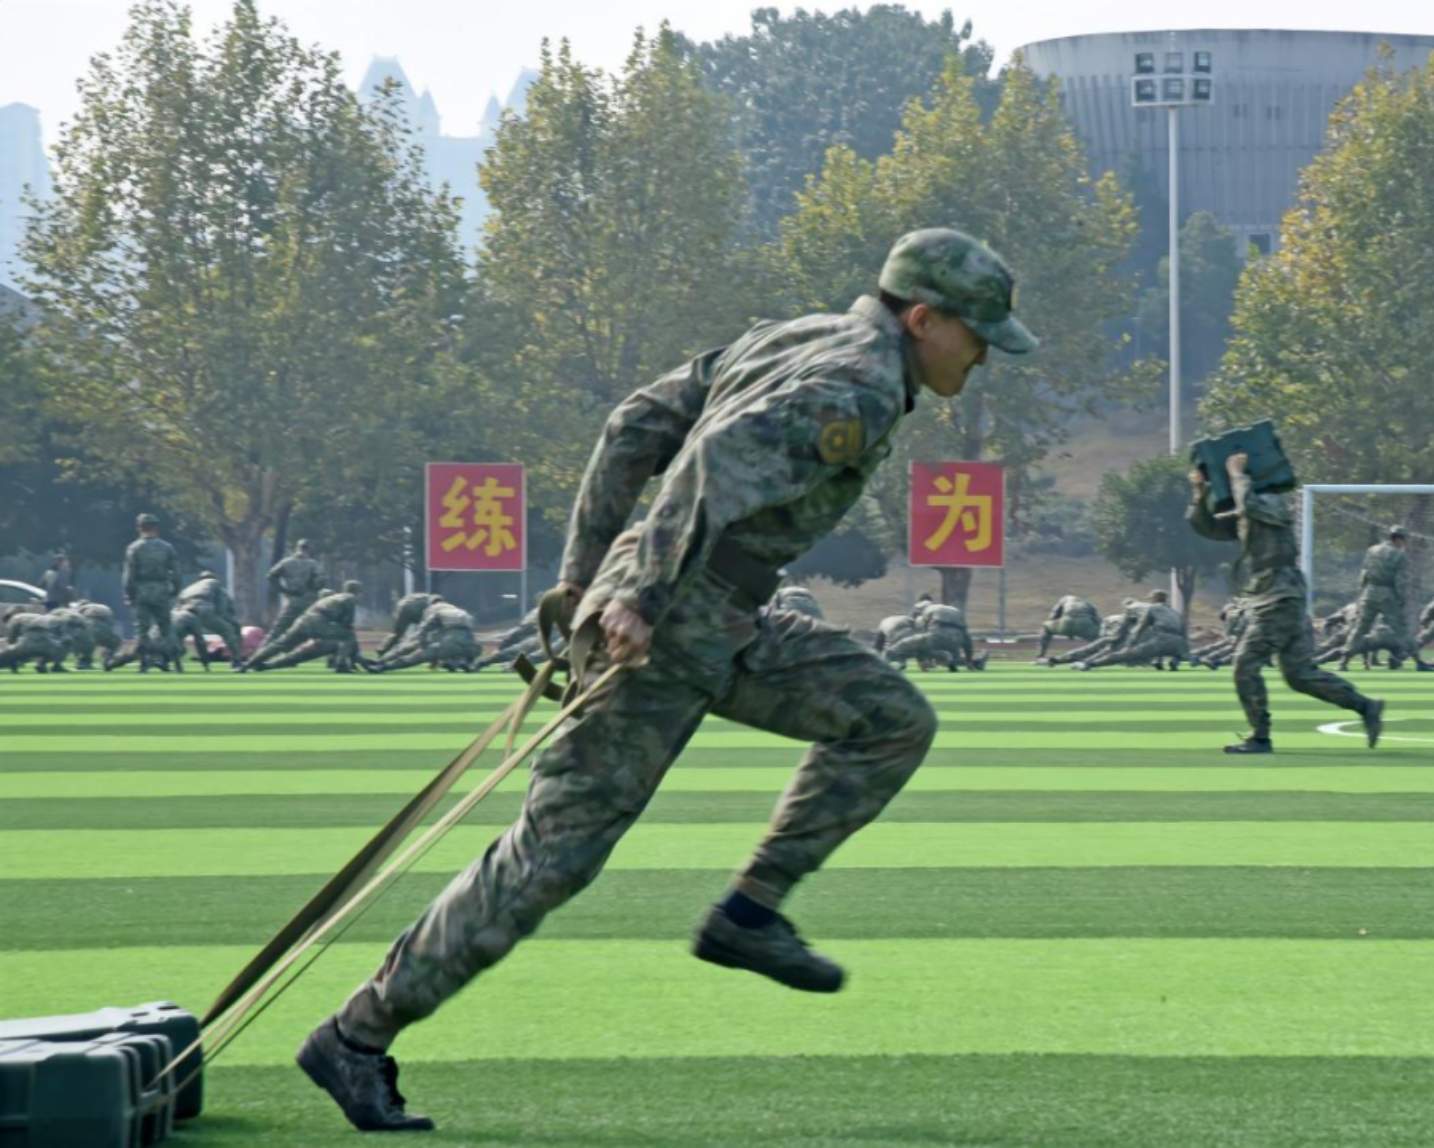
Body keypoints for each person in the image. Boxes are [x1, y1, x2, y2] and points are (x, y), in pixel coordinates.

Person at [297, 227, 1038, 1133]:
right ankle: (355, 1037)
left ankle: (749, 914)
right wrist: (636, 596)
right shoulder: (862, 384)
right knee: (554, 853)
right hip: (670, 622)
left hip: (717, 618)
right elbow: (712, 462)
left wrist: (584, 576)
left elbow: (635, 426)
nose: (981, 357)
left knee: (890, 718)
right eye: (976, 336)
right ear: (922, 319)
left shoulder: (796, 335)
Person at [1186, 452, 1384, 753]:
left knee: (1244, 665)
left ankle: (1260, 736)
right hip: (1277, 598)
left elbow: (1249, 505)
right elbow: (1207, 527)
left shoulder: (1271, 502)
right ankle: (1366, 706)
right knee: (1299, 675)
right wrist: (1200, 492)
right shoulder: (1247, 511)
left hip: (1280, 598)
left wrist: (1237, 473)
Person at [247, 582, 364, 672]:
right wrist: (359, 659)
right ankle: (341, 665)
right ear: (357, 592)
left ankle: (249, 663)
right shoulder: (349, 598)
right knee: (348, 636)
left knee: (281, 644)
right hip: (319, 628)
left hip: (304, 621)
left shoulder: (334, 599)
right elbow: (347, 625)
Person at [1339, 526, 1412, 671]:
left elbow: (1364, 575)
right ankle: (1408, 657)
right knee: (1400, 628)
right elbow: (1400, 581)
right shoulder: (1399, 555)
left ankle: (1344, 660)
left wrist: (1361, 594)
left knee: (1359, 629)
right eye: (1403, 540)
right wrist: (1401, 599)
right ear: (1399, 539)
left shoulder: (1372, 551)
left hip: (1369, 593)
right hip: (1387, 595)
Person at [122, 513, 182, 673]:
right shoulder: (167, 547)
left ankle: (143, 663)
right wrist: (175, 590)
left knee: (142, 630)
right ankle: (177, 662)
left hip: (141, 591)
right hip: (161, 590)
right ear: (156, 527)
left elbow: (129, 575)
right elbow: (176, 572)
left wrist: (129, 593)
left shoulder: (134, 548)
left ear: (139, 528)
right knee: (167, 628)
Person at [1073, 591, 1189, 671]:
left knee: (1125, 654)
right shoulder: (1175, 612)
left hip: (1162, 639)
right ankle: (1175, 660)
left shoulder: (1152, 608)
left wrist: (1129, 645)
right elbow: (1184, 632)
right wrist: (1183, 649)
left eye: (1150, 598)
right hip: (1178, 642)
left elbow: (1140, 627)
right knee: (1179, 653)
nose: (1148, 600)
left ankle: (1088, 664)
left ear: (1155, 598)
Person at [367, 599, 483, 673]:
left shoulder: (434, 610)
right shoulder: (460, 611)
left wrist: (424, 646)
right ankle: (464, 663)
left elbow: (423, 631)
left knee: (415, 657)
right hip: (471, 645)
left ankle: (383, 666)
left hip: (450, 641)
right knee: (462, 648)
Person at [176, 570, 246, 671]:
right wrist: (220, 619)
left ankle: (165, 659)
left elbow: (177, 608)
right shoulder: (214, 583)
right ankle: (236, 662)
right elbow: (222, 604)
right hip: (203, 609)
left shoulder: (188, 589)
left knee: (177, 636)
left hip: (184, 611)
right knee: (228, 631)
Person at [263, 539, 327, 646]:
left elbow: (270, 576)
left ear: (297, 548)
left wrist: (283, 590)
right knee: (317, 628)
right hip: (308, 601)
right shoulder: (313, 564)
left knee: (278, 629)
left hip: (292, 600)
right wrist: (312, 589)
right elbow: (322, 580)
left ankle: (261, 651)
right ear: (309, 549)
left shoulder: (286, 562)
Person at [1035, 594, 1102, 662]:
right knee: (1100, 641)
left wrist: (1060, 626)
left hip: (1066, 623)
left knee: (1045, 627)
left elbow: (1052, 616)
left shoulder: (1065, 599)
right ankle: (1098, 657)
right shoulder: (1089, 604)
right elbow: (1098, 621)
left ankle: (1040, 656)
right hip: (1085, 625)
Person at [1051, 609, 1130, 666]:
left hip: (1110, 635)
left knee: (1095, 650)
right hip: (1115, 637)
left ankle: (1059, 659)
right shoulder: (1126, 621)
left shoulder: (1114, 618)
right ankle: (1085, 662)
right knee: (1102, 651)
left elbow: (1104, 630)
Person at [376, 592, 442, 658]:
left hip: (403, 606)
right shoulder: (432, 606)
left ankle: (383, 649)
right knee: (418, 634)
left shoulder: (425, 597)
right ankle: (392, 651)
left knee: (397, 634)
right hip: (410, 610)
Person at [0, 606, 65, 673]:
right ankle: (42, 664)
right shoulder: (35, 616)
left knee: (11, 653)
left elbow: (12, 638)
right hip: (46, 641)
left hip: (30, 641)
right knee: (57, 650)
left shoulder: (15, 618)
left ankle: (13, 667)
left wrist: (10, 646)